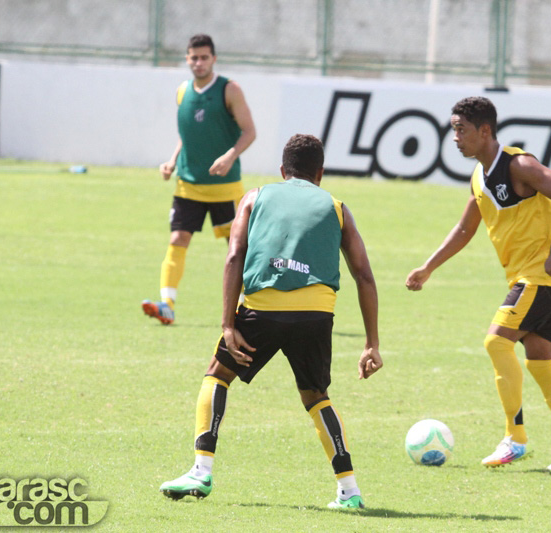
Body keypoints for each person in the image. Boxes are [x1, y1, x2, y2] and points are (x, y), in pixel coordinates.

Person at [159, 134, 383, 508]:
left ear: (283, 171)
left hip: (262, 310)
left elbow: (234, 257)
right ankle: (350, 491)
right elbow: (365, 276)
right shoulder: (338, 207)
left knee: (218, 374)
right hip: (316, 315)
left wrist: (229, 325)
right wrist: (371, 343)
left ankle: (201, 470)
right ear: (320, 173)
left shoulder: (254, 197)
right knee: (316, 397)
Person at [405, 96, 551, 471]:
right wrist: (428, 267)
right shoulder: (479, 176)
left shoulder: (520, 164)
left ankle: (515, 438)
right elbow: (465, 229)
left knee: (496, 342)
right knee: (541, 364)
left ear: (485, 131)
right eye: (453, 130)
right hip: (531, 278)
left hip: (542, 275)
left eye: (461, 130)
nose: (455, 138)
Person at [142, 33, 256, 325]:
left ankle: (249, 305)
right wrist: (172, 160)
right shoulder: (182, 92)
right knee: (178, 238)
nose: (199, 62)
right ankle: (166, 304)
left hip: (225, 187)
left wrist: (230, 156)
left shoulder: (229, 90)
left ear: (214, 59)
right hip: (188, 184)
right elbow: (188, 135)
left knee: (236, 247)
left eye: (205, 57)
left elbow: (249, 132)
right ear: (187, 59)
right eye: (194, 57)